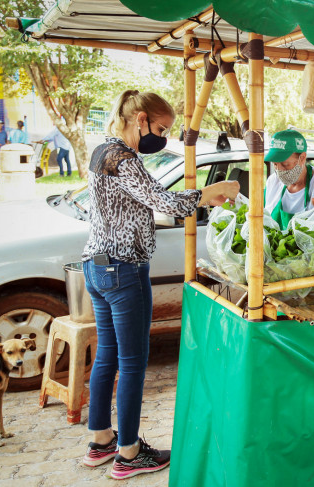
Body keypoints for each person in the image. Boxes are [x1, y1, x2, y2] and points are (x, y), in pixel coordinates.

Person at [81, 90, 239, 480]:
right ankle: (130, 452)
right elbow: (159, 200)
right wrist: (207, 194)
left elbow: (142, 202)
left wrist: (199, 197)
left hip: (97, 266)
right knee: (132, 363)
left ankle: (101, 440)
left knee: (108, 356)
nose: (163, 136)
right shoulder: (124, 158)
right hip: (123, 269)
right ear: (140, 120)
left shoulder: (102, 151)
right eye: (161, 128)